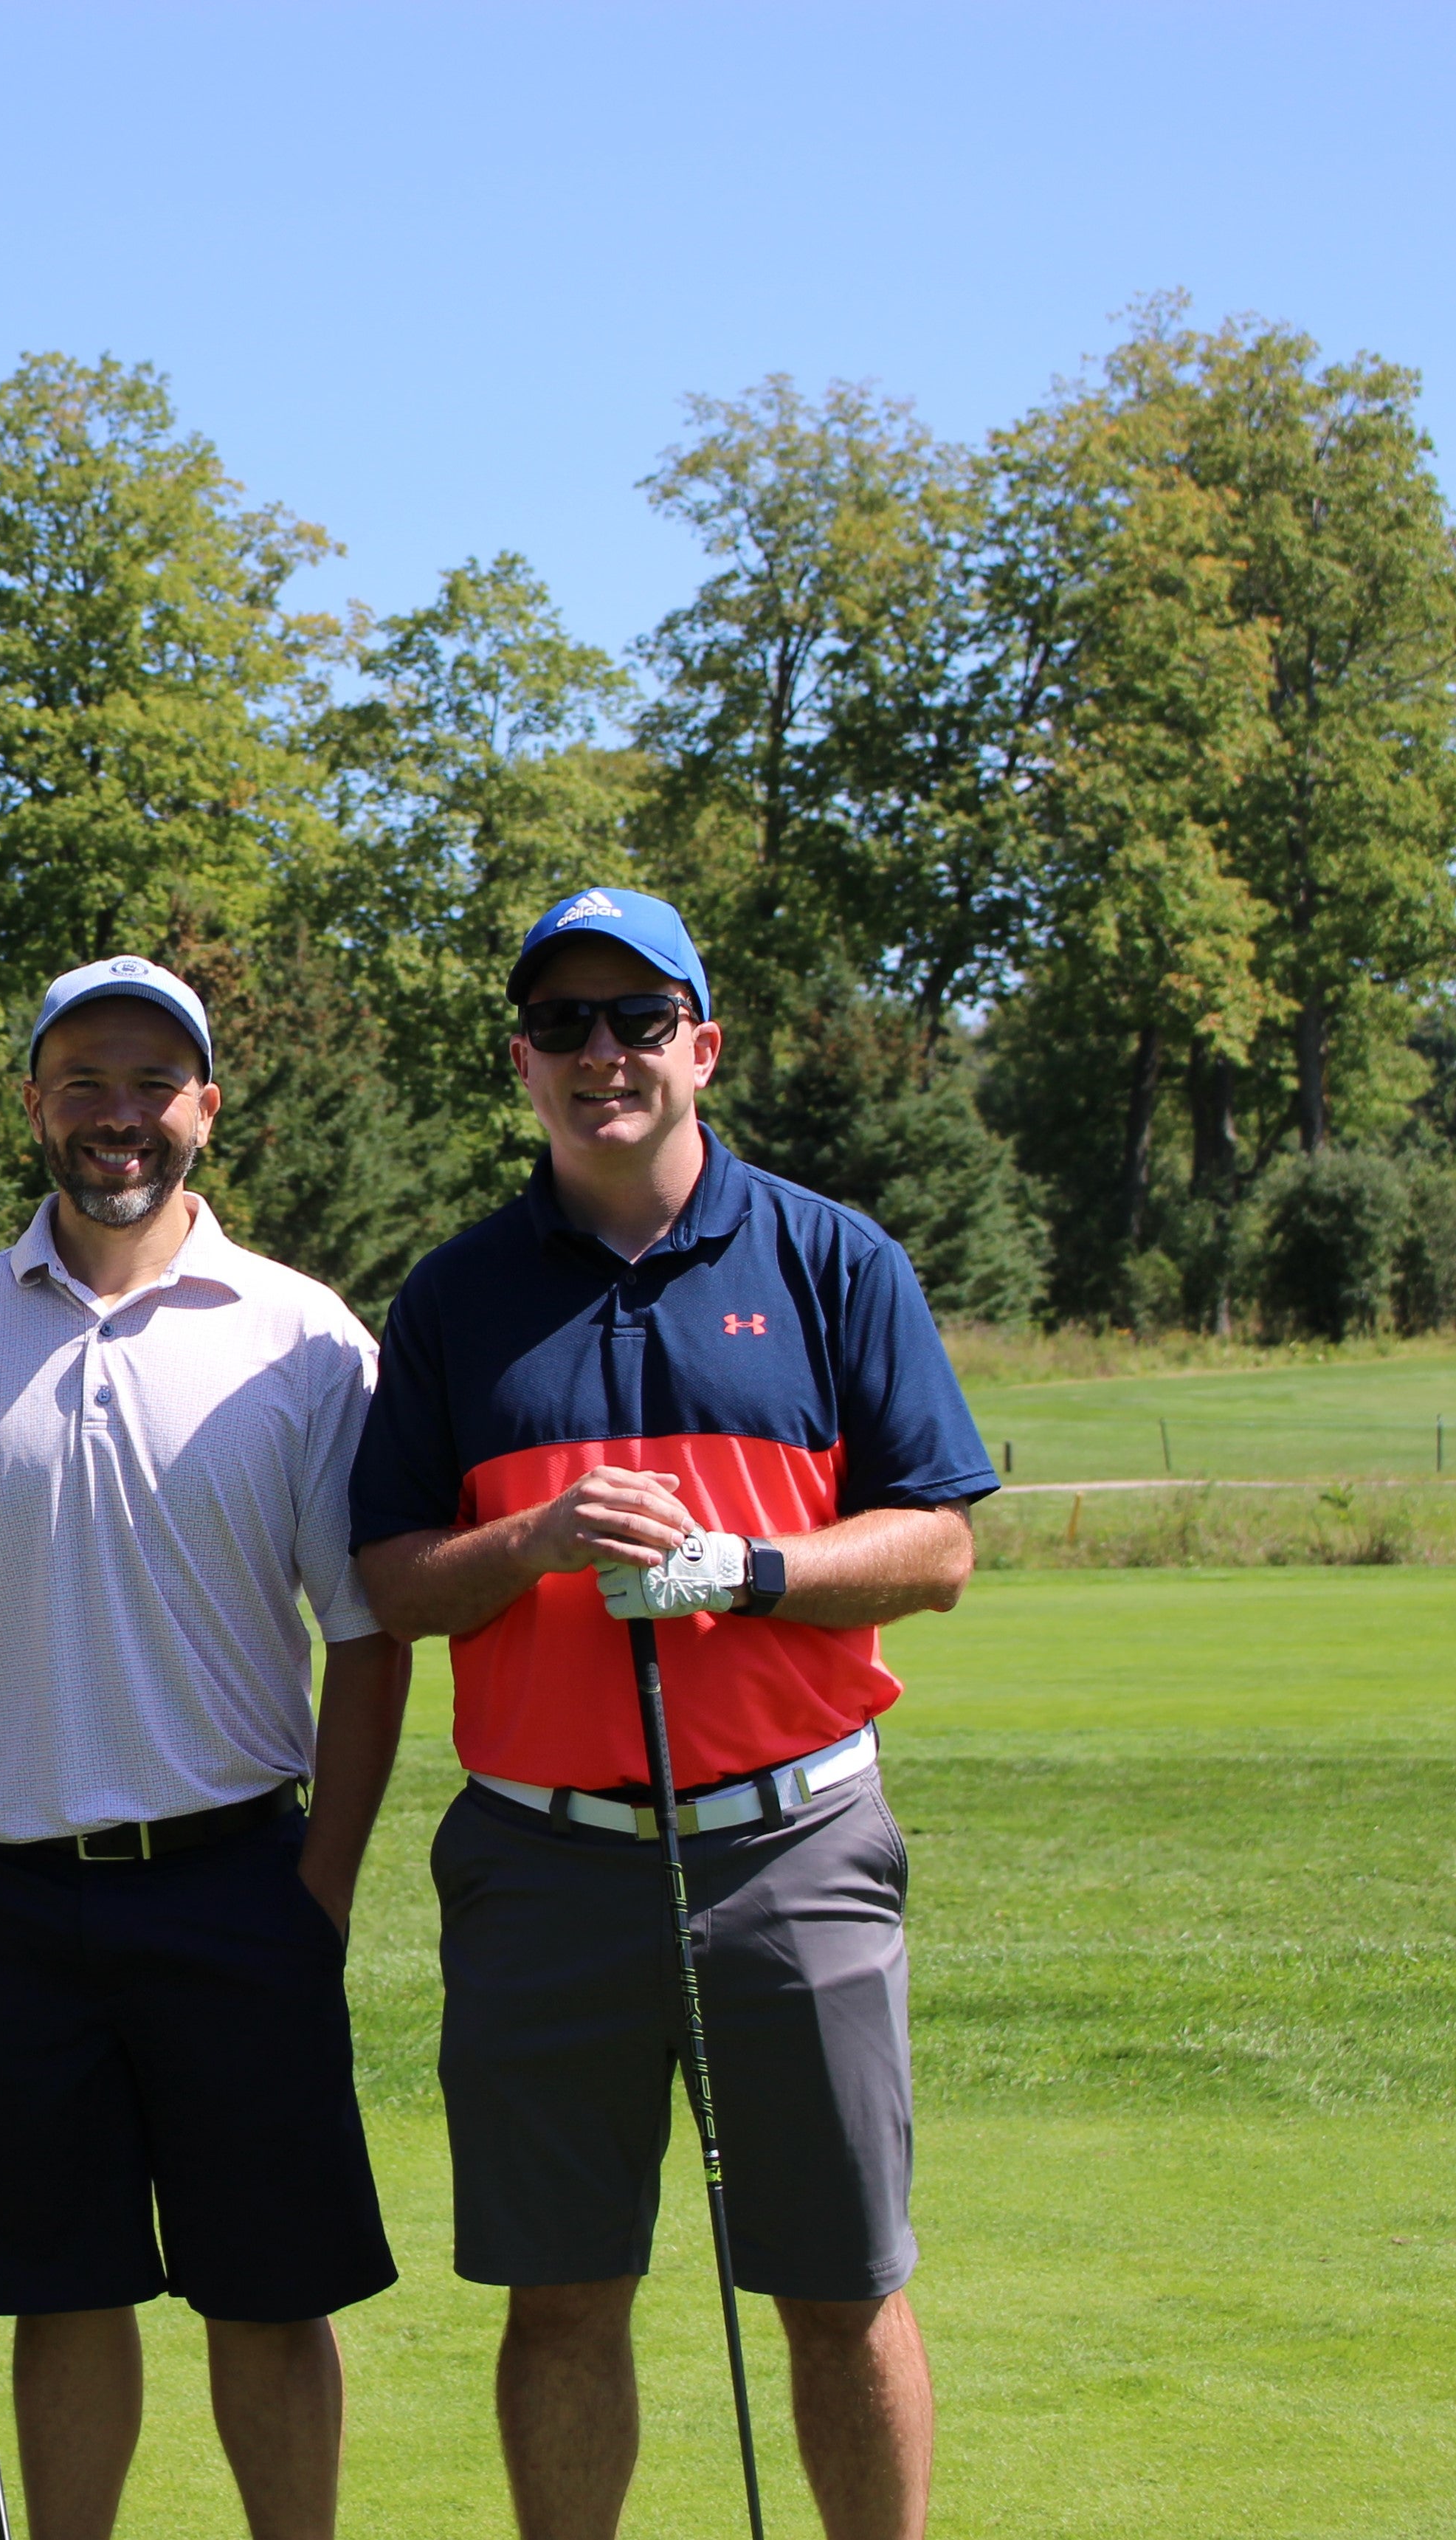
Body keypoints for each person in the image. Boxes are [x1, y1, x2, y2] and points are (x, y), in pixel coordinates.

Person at [348, 886, 996, 2540]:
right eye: (563, 1025)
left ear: (701, 1043)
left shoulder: (830, 1258)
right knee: (560, 2294)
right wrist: (535, 1539)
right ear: (521, 1060)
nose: (602, 1055)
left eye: (639, 1021)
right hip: (543, 1860)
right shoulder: (454, 1297)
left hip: (793, 1842)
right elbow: (394, 1582)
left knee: (841, 2283)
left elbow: (936, 1543)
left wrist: (745, 1566)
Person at [0, 954, 407, 2540]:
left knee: (267, 2296)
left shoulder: (302, 1336)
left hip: (237, 1880)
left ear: (205, 1106)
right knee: (59, 2295)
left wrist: (324, 1887)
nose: (117, 1113)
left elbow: (366, 1632)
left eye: (153, 1081)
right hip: (5, 1899)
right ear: (33, 1104)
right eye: (81, 1080)